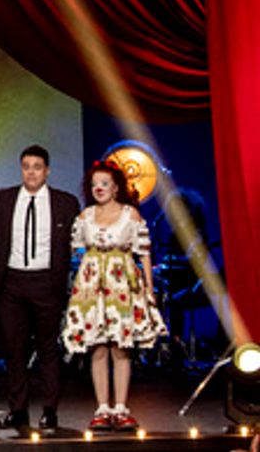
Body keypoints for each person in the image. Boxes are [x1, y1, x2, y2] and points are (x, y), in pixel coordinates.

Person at [62, 160, 167, 431]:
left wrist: (148, 289)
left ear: (116, 187)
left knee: (121, 348)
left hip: (122, 285)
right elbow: (76, 254)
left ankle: (121, 408)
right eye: (95, 184)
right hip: (92, 286)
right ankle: (102, 408)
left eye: (104, 183)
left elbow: (143, 253)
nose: (99, 188)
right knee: (97, 348)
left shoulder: (129, 214)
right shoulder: (85, 217)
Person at [0, 145, 80, 436]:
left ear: (47, 170)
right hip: (12, 283)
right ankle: (18, 410)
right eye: (26, 166)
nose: (31, 172)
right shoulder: (4, 198)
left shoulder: (65, 202)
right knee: (14, 351)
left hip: (46, 283)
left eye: (37, 166)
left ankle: (50, 411)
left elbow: (78, 239)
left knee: (48, 350)